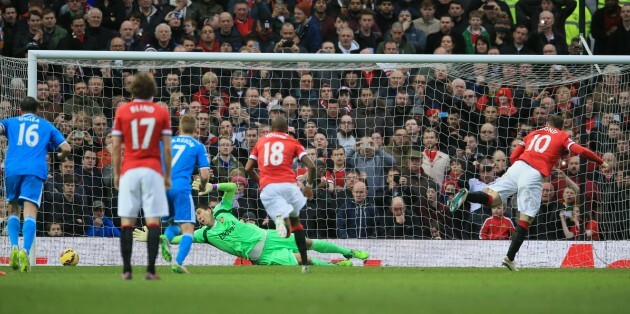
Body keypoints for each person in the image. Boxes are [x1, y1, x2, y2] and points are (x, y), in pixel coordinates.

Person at [449, 114, 609, 271]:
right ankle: (509, 258)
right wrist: (601, 162)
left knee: (493, 199)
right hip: (533, 174)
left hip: (517, 167)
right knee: (526, 218)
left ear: (547, 123)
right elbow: (579, 150)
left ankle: (466, 195)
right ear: (560, 127)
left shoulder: (533, 133)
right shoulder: (562, 136)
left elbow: (512, 157)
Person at [133, 182, 368, 266]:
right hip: (261, 256)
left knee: (306, 242)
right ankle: (337, 268)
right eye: (198, 217)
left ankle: (349, 252)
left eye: (201, 213)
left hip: (267, 236)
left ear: (208, 208)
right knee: (302, 259)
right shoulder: (203, 234)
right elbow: (175, 239)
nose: (200, 218)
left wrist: (211, 186)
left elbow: (233, 187)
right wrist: (155, 237)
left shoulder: (223, 210)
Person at [112, 72, 173, 280]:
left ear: (133, 89)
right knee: (153, 221)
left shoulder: (123, 111)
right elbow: (166, 148)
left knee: (127, 221)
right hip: (152, 170)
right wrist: (167, 175)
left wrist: (117, 173)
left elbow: (117, 147)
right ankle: (151, 270)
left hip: (129, 169)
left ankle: (127, 270)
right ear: (153, 89)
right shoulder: (160, 112)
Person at [1, 97, 71, 272]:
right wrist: (60, 157)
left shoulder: (10, 122)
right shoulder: (46, 125)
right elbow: (67, 148)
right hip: (34, 170)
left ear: (20, 110)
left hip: (13, 169)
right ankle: (25, 250)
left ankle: (14, 247)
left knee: (13, 208)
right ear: (38, 110)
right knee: (30, 211)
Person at [244, 116, 317, 273]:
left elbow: (248, 168)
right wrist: (309, 186)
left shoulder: (262, 140)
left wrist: (260, 181)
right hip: (288, 185)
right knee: (297, 223)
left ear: (271, 129)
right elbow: (311, 167)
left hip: (268, 187)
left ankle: (279, 218)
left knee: (278, 212)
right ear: (286, 129)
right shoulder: (292, 141)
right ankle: (304, 264)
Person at [160, 114, 210, 274]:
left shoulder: (166, 142)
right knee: (188, 229)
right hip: (181, 188)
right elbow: (205, 175)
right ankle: (178, 262)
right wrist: (202, 186)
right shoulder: (198, 146)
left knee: (172, 224)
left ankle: (165, 238)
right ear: (196, 130)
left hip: (162, 187)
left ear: (179, 128)